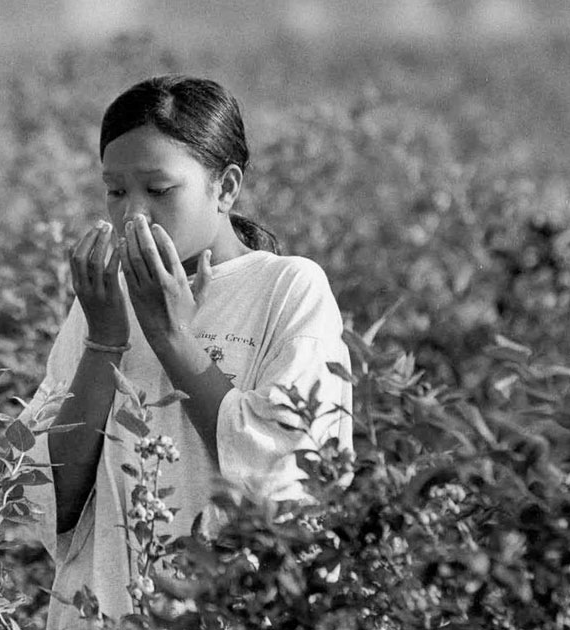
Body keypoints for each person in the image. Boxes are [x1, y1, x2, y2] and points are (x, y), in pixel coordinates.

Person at [18, 74, 352, 628]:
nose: (134, 215)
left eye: (159, 189)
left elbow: (287, 478)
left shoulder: (286, 289)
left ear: (225, 188)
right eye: (116, 191)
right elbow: (47, 498)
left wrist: (172, 336)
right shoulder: (104, 297)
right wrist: (105, 339)